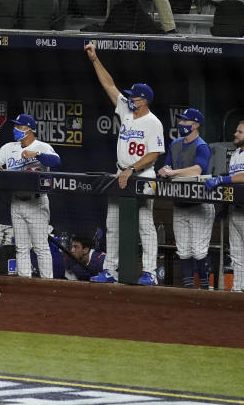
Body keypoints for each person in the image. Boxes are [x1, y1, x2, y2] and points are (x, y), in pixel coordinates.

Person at [85, 43, 164, 285]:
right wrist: (95, 59)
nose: (129, 98)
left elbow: (155, 154)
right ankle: (111, 270)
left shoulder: (153, 122)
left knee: (145, 226)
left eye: (134, 96)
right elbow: (109, 85)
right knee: (113, 223)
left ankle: (149, 272)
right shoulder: (127, 112)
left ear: (144, 101)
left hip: (143, 176)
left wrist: (133, 169)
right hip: (120, 173)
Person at [0, 114, 61, 279]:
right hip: (17, 202)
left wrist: (37, 154)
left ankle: (48, 283)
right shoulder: (9, 147)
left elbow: (56, 161)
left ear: (29, 129)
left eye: (19, 127)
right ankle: (24, 282)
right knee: (21, 247)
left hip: (37, 202)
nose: (15, 129)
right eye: (15, 126)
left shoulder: (41, 146)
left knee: (40, 247)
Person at [158, 108, 213, 289]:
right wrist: (163, 170)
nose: (181, 124)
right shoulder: (175, 144)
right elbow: (166, 165)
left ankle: (205, 289)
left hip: (200, 204)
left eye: (185, 121)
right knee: (183, 250)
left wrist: (172, 172)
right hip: (180, 203)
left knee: (198, 251)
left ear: (195, 125)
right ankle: (189, 290)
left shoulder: (201, 146)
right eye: (181, 120)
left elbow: (198, 169)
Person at [204, 120, 244, 292]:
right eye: (237, 131)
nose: (235, 134)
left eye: (240, 132)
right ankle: (238, 289)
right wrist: (224, 208)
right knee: (236, 253)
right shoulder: (235, 154)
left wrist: (223, 179)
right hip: (236, 209)